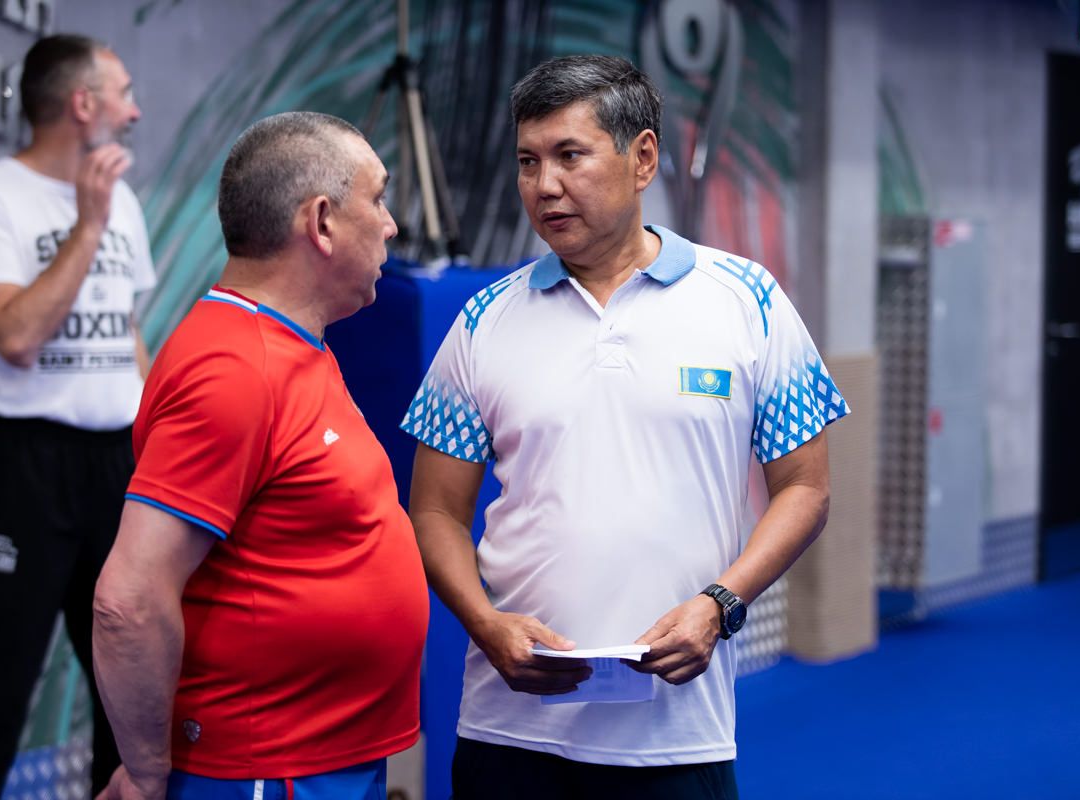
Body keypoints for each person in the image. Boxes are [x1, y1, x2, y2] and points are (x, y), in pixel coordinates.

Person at [401, 55, 850, 800]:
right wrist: (484, 623)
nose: (544, 185)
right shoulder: (482, 320)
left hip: (678, 734)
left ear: (642, 158)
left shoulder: (748, 301)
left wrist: (720, 605)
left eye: (569, 155)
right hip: (507, 727)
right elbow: (433, 510)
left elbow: (807, 489)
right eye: (528, 161)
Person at [91, 112, 429, 800]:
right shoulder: (233, 367)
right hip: (265, 769)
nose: (392, 225)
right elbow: (129, 599)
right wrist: (146, 772)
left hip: (322, 757)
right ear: (322, 222)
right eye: (379, 199)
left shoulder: (292, 345)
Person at [0, 34, 152, 799]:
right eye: (122, 93)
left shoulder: (125, 202)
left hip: (117, 464)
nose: (134, 110)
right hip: (18, 465)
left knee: (130, 691)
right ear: (83, 104)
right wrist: (86, 227)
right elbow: (17, 337)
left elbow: (125, 331)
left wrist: (156, 434)